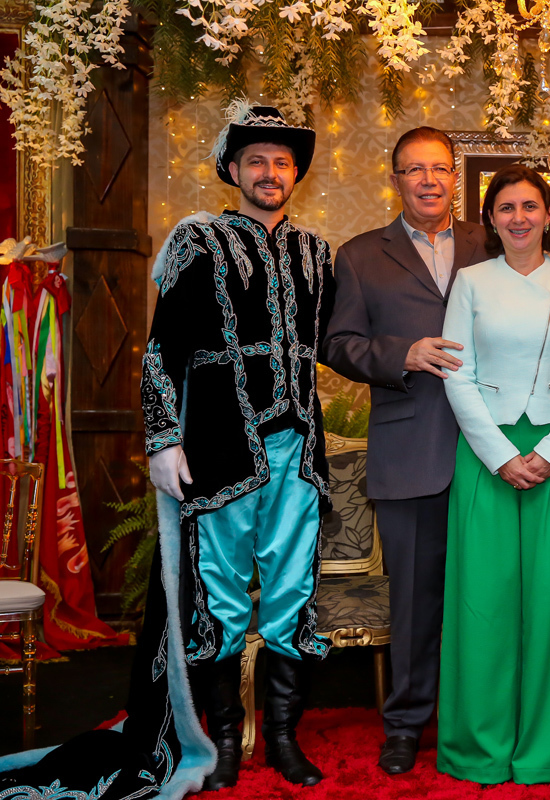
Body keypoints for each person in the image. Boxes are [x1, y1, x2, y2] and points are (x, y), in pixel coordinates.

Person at [0, 102, 335, 798]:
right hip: (220, 449)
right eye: (256, 161)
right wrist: (162, 439)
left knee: (292, 594)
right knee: (219, 599)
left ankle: (283, 739)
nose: (270, 172)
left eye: (281, 162)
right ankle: (222, 741)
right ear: (233, 170)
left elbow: (338, 340)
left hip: (298, 448)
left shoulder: (316, 252)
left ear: (295, 173)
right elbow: (161, 351)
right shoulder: (198, 241)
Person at [324, 127, 550, 775]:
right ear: (396, 180)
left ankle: (492, 718)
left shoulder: (490, 238)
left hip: (500, 450)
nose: (428, 180)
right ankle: (407, 725)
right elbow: (337, 344)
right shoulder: (359, 255)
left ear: (454, 176)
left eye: (438, 168)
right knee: (414, 602)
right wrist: (400, 354)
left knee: (498, 598)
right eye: (414, 170)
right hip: (415, 451)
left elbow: (547, 315)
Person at [436, 164, 550, 784]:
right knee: (483, 603)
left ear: (548, 214)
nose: (519, 218)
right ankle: (480, 748)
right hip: (487, 457)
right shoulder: (471, 282)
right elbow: (457, 374)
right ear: (490, 218)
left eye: (530, 206)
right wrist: (501, 455)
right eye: (505, 208)